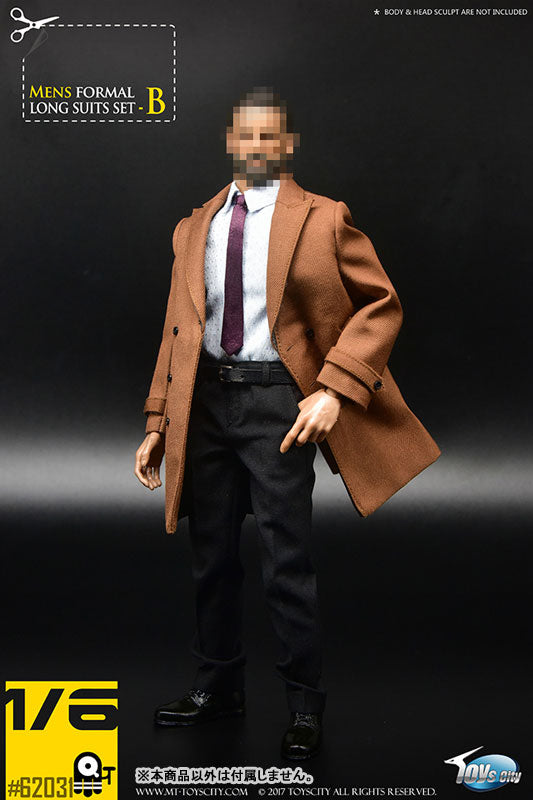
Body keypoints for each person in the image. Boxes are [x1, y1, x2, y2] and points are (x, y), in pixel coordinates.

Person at [134, 86, 441, 760]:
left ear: (287, 144)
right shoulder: (196, 225)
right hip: (205, 406)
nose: (256, 145)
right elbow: (178, 328)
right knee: (211, 559)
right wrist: (159, 419)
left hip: (279, 405)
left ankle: (304, 704)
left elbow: (380, 304)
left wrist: (334, 389)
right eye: (245, 134)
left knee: (285, 560)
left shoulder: (323, 218)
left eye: (269, 135)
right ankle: (217, 688)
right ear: (229, 140)